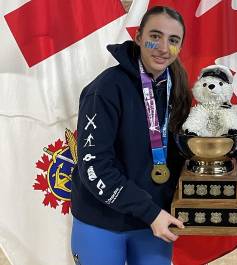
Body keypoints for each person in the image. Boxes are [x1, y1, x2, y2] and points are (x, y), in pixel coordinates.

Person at [70, 6, 192, 265]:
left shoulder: (177, 87)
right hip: (102, 221)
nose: (162, 47)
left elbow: (180, 152)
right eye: (155, 36)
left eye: (173, 40)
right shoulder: (104, 90)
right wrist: (150, 212)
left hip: (152, 222)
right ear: (138, 37)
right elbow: (94, 167)